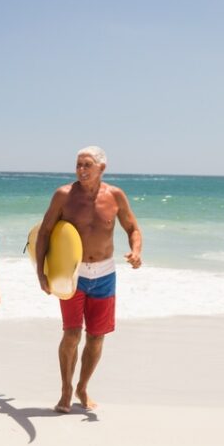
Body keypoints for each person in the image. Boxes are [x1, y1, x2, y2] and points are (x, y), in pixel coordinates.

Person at [35, 146, 142, 413]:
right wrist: (41, 272)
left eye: (87, 165)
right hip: (73, 273)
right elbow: (45, 232)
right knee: (71, 334)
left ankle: (82, 387)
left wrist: (136, 251)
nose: (81, 170)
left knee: (96, 336)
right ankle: (65, 390)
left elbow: (132, 227)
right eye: (78, 165)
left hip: (105, 274)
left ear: (101, 168)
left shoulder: (115, 196)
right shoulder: (64, 195)